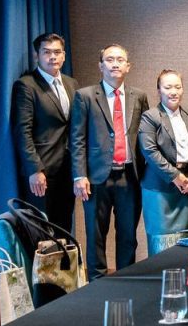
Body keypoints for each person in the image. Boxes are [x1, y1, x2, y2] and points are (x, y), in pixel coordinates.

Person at [70, 43, 149, 279]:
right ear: (101, 66)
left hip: (130, 176)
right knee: (96, 236)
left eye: (120, 60)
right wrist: (79, 175)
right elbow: (77, 138)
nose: (115, 64)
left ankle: (126, 280)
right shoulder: (85, 96)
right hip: (96, 177)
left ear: (128, 66)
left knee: (128, 236)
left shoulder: (139, 96)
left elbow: (145, 137)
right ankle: (97, 282)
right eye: (110, 59)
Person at [11, 32, 78, 232]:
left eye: (57, 52)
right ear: (37, 56)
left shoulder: (71, 83)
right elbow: (22, 131)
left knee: (64, 227)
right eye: (46, 52)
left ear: (64, 55)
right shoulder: (26, 85)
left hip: (68, 169)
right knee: (40, 230)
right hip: (42, 171)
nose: (52, 57)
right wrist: (34, 169)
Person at [138, 70, 188, 253]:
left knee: (185, 241)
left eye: (177, 87)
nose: (173, 92)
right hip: (159, 189)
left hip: (186, 188)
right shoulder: (150, 116)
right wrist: (174, 175)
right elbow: (149, 151)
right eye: (168, 87)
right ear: (159, 91)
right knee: (161, 243)